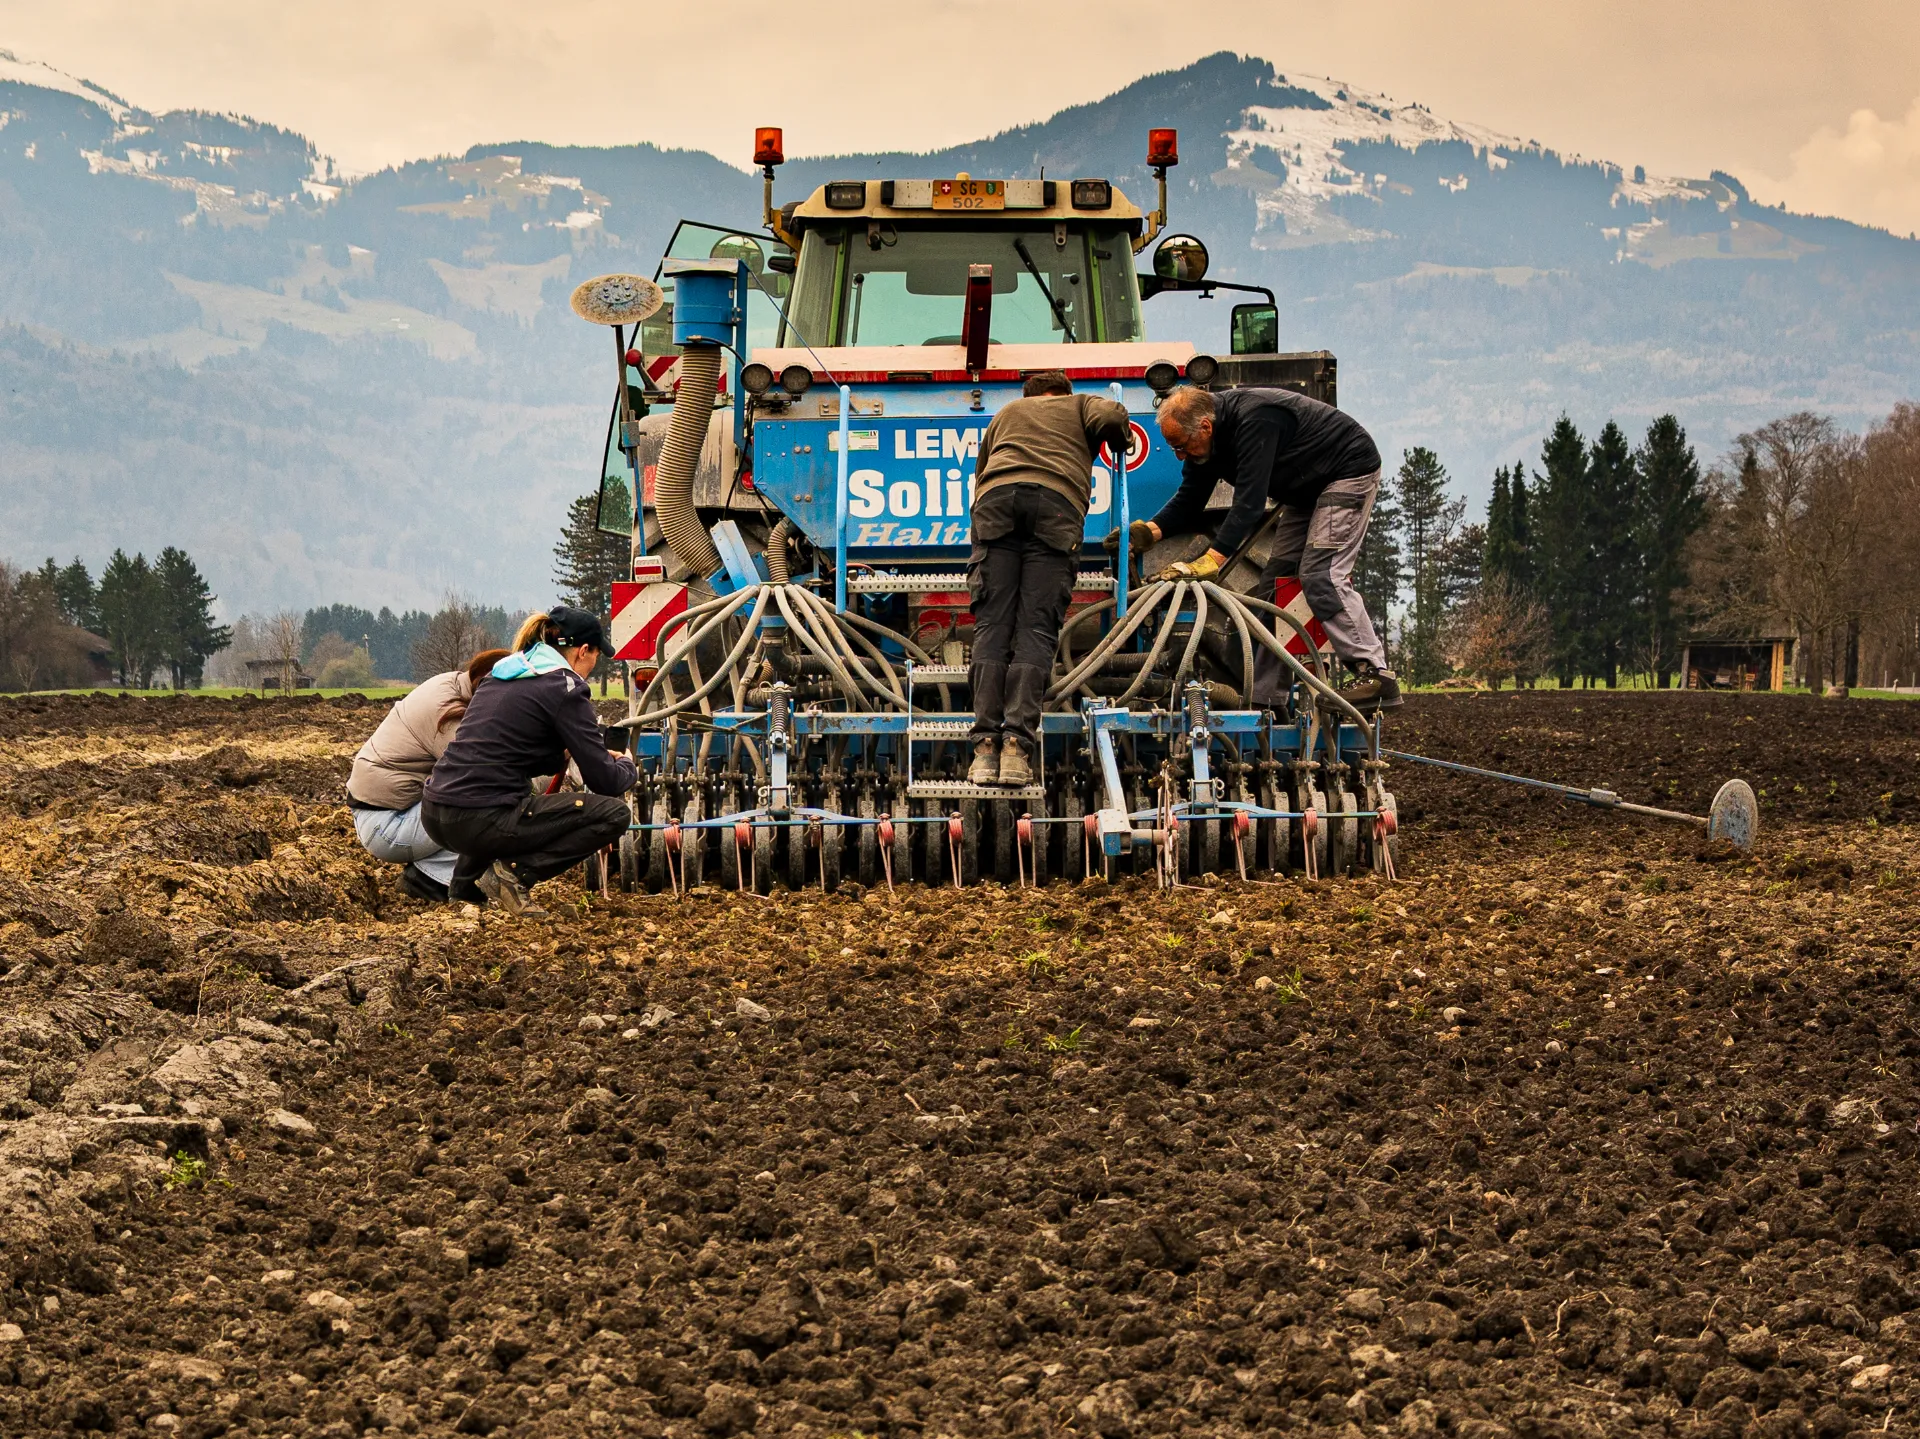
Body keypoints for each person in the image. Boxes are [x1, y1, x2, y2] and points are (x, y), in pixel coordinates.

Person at [1128, 385, 1400, 711]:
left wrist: (1213, 558)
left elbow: (1250, 504)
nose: (1180, 456)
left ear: (1205, 427)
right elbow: (1190, 499)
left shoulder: (1257, 419)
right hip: (1304, 492)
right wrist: (1149, 533)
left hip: (1346, 472)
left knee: (1321, 574)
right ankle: (1267, 699)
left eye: (1181, 446)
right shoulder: (1206, 445)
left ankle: (1375, 674)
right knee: (1274, 588)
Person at [967, 370, 1131, 786]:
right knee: (1035, 627)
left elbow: (981, 473)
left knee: (992, 625)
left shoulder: (1007, 412)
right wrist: (1120, 440)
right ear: (1063, 392)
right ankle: (1015, 747)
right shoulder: (1079, 404)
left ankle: (983, 748)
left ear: (1030, 396)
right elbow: (1112, 416)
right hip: (1055, 506)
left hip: (995, 504)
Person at [421, 607, 636, 915]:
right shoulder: (566, 687)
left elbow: (505, 755)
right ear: (583, 650)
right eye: (596, 656)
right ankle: (515, 875)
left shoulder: (502, 674)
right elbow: (605, 782)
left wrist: (560, 755)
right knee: (614, 814)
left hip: (435, 813)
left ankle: (464, 891)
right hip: (478, 820)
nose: (593, 665)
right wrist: (626, 764)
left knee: (497, 790)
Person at [345, 648, 510, 902]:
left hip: (387, 812)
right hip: (386, 825)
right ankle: (428, 879)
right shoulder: (450, 715)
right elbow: (485, 774)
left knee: (483, 802)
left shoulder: (454, 684)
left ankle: (436, 872)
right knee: (488, 807)